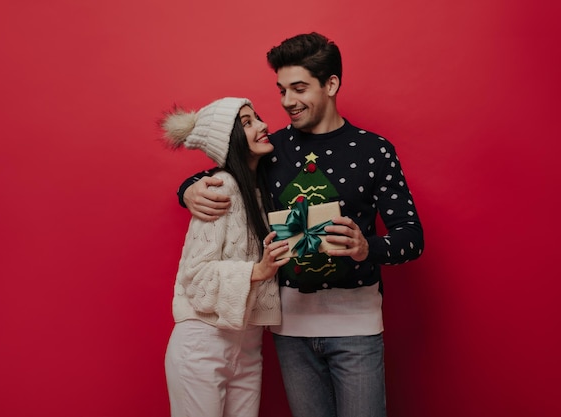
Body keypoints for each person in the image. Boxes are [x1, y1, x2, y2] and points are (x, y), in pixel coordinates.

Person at [178, 33, 424, 417]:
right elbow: (228, 174)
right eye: (281, 90)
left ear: (331, 84)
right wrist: (188, 189)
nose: (287, 102)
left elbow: (411, 236)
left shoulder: (375, 150)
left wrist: (367, 247)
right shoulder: (272, 150)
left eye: (298, 88)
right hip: (289, 330)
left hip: (357, 326)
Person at [160, 97, 290, 417]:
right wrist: (257, 271)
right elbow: (196, 276)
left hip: (248, 347)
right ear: (228, 140)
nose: (263, 126)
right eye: (247, 123)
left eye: (257, 118)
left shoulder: (262, 193)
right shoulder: (219, 189)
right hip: (203, 345)